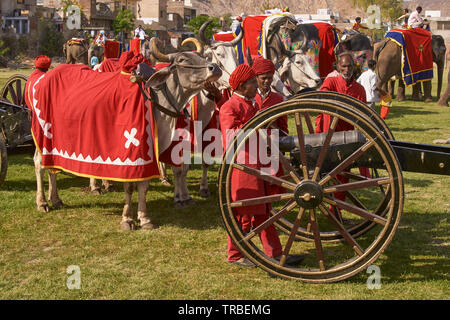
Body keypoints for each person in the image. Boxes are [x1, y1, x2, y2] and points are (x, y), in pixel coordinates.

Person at [219, 64, 304, 267]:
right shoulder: (229, 107)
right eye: (251, 82)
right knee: (240, 214)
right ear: (241, 86)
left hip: (259, 164)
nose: (255, 84)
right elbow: (230, 137)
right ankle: (235, 255)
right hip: (242, 167)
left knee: (263, 212)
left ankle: (275, 254)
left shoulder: (251, 104)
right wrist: (256, 126)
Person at [316, 52, 368, 222]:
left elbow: (361, 115)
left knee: (343, 177)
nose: (347, 69)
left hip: (348, 137)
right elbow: (323, 99)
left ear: (354, 67)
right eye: (343, 66)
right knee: (328, 176)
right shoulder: (331, 81)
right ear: (337, 66)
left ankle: (336, 211)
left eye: (350, 66)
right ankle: (330, 210)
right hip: (329, 136)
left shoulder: (359, 89)